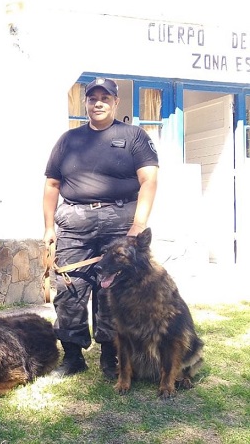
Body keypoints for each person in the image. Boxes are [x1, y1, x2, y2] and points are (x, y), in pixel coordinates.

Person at [42, 77, 159, 378]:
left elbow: (149, 180)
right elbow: (52, 184)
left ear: (115, 102)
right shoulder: (68, 140)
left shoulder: (134, 136)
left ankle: (111, 358)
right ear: (85, 102)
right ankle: (72, 357)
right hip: (74, 224)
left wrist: (138, 226)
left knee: (112, 291)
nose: (98, 103)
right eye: (92, 98)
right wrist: (48, 228)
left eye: (105, 98)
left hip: (119, 224)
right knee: (69, 288)